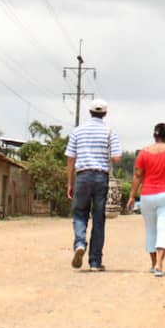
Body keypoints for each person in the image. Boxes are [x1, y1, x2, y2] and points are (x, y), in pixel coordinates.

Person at [126, 122, 165, 277]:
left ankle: (154, 263)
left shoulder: (143, 153)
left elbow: (138, 175)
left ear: (154, 135)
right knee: (164, 228)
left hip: (147, 195)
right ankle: (160, 264)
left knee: (151, 230)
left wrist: (132, 195)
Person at [66, 98, 121, 271]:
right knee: (98, 218)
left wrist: (70, 182)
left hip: (82, 176)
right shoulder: (110, 131)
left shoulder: (77, 131)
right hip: (101, 178)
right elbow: (117, 158)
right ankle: (95, 262)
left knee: (80, 213)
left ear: (89, 112)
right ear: (105, 113)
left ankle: (80, 244)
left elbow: (70, 158)